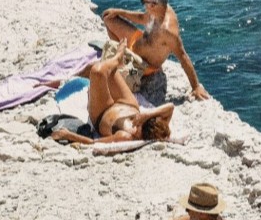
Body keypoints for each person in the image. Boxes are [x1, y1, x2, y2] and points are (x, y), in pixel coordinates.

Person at [46, 36, 175, 145]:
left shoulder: (126, 136)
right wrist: (147, 115)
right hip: (128, 104)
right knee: (109, 70)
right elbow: (170, 107)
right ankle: (116, 61)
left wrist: (69, 135)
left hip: (103, 111)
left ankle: (117, 57)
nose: (136, 126)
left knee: (97, 71)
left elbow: (95, 143)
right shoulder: (156, 125)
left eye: (138, 128)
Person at [101, 0, 211, 100]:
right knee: (109, 18)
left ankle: (122, 58)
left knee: (109, 79)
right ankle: (121, 54)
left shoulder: (167, 32)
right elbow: (142, 18)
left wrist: (196, 86)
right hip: (136, 41)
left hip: (141, 65)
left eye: (143, 2)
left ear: (153, 4)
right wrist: (119, 12)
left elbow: (183, 57)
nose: (143, 5)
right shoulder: (158, 9)